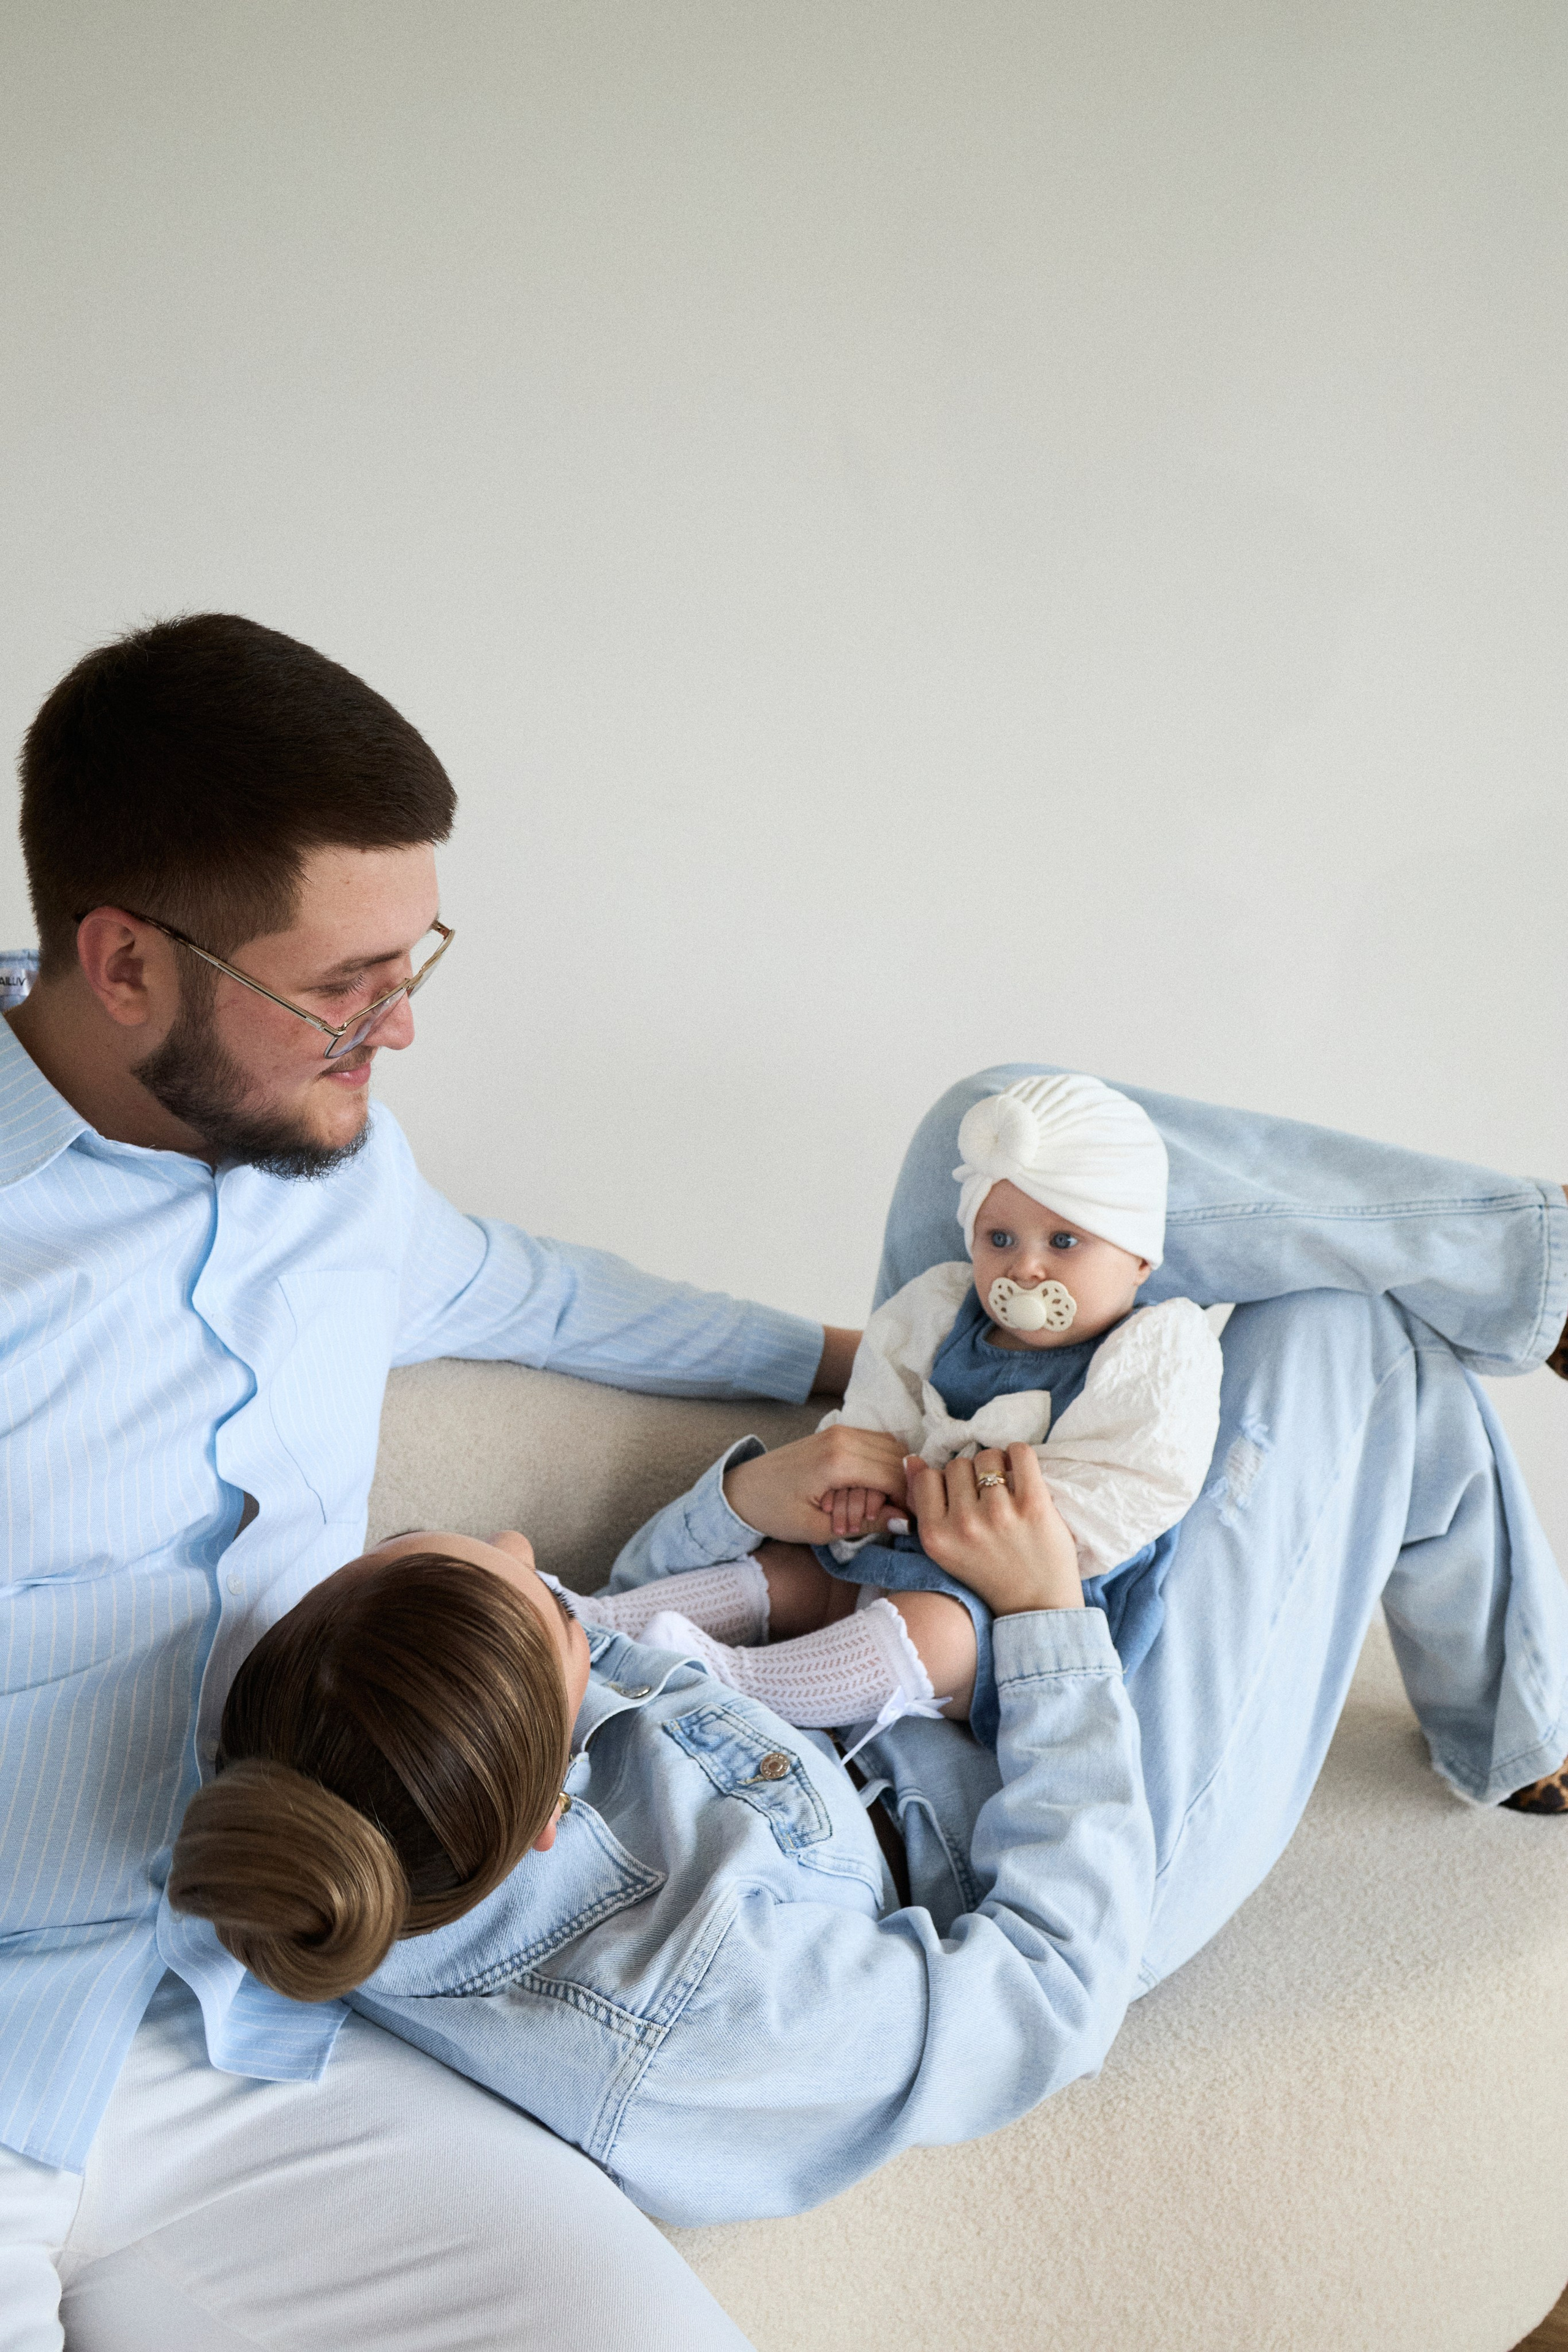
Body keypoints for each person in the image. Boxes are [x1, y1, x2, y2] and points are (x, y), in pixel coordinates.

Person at [165, 1085, 1568, 2233]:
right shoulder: (703, 2006)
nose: (539, 1549)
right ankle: (1522, 1723)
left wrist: (748, 1500)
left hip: (911, 1644)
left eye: (477, 1550)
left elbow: (642, 1630)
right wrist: (1036, 1617)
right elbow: (1043, 1990)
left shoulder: (402, 1749)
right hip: (1085, 1825)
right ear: (548, 1812)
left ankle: (1535, 1288)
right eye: (538, 1592)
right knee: (1354, 1336)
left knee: (983, 1128)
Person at [0, 613, 862, 2352]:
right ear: (123, 964)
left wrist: (845, 1362)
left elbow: (539, 1289)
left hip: (239, 2035)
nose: (394, 1031)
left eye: (414, 964)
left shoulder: (337, 1169)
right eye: (340, 988)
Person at [616, 1070, 1224, 1747]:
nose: (1025, 1269)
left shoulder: (1153, 1349)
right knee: (796, 1570)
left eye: (1062, 1242)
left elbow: (1133, 1482)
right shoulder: (937, 1311)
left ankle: (730, 1680)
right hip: (900, 1537)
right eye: (1000, 1240)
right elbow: (878, 1413)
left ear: (1139, 1258)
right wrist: (859, 1491)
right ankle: (604, 1623)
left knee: (933, 1631)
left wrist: (981, 1523)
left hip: (1022, 1592)